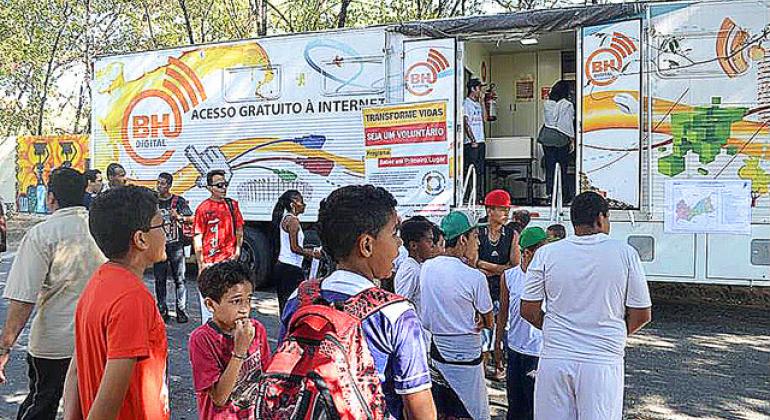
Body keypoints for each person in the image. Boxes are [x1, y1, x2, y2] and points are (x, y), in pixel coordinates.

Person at [279, 185, 436, 420]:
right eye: (394, 234)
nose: (399, 244)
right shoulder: (397, 313)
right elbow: (419, 406)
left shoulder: (300, 296)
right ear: (367, 245)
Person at [521, 192, 652, 420]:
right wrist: (612, 333)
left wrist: (558, 329)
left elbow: (528, 310)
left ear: (573, 221)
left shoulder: (546, 254)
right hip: (602, 361)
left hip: (555, 358)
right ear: (601, 219)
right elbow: (642, 314)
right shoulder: (626, 253)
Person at [0, 168, 105, 420]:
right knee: (91, 406)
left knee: (42, 404)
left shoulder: (42, 234)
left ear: (50, 197)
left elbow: (23, 299)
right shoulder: (103, 229)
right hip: (99, 341)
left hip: (54, 345)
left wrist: (4, 348)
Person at [63, 186, 170, 420]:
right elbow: (108, 404)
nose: (166, 233)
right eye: (161, 226)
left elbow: (75, 370)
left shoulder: (100, 281)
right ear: (140, 239)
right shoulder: (133, 298)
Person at [420, 211, 493, 420]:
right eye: (476, 237)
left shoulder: (427, 267)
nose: (478, 243)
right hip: (467, 354)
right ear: (463, 239)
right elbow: (489, 322)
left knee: (443, 408)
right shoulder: (475, 277)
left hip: (436, 349)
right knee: (474, 411)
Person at [189, 260, 271, 419]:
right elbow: (219, 398)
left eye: (249, 299)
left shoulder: (257, 329)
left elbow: (266, 378)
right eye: (236, 301)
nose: (245, 309)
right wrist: (239, 351)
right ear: (211, 304)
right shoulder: (202, 339)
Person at [496, 227, 548, 420]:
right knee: (516, 407)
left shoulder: (550, 276)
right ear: (527, 252)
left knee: (536, 407)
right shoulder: (509, 276)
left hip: (539, 351)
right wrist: (498, 344)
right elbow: (502, 314)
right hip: (516, 349)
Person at [477, 189, 519, 380]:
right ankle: (484, 367)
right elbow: (472, 261)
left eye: (507, 210)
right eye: (502, 210)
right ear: (489, 210)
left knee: (503, 327)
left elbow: (514, 264)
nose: (506, 214)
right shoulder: (478, 230)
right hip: (481, 288)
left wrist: (488, 267)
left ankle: (501, 364)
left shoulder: (512, 233)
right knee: (483, 329)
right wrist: (500, 267)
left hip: (502, 288)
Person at [194, 169, 245, 324]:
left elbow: (239, 230)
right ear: (210, 187)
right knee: (210, 300)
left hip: (228, 260)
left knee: (230, 297)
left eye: (225, 184)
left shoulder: (232, 205)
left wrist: (237, 250)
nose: (224, 188)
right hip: (210, 262)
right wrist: (200, 263)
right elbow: (198, 236)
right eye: (219, 185)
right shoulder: (203, 208)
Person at [271, 190, 321, 315]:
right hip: (291, 268)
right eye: (301, 201)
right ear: (293, 204)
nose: (304, 205)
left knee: (285, 305)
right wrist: (312, 253)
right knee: (293, 305)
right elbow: (295, 248)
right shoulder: (293, 221)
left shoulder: (285, 218)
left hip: (283, 266)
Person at [154, 172, 192, 323]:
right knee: (159, 279)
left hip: (176, 246)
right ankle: (162, 309)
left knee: (180, 279)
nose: (159, 186)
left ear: (169, 185)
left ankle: (181, 310)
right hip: (159, 248)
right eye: (158, 183)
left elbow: (192, 217)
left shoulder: (178, 201)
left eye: (162, 183)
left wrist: (179, 217)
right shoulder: (153, 202)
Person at [537, 80, 574, 201]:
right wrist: (572, 139)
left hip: (546, 137)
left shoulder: (547, 104)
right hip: (561, 139)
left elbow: (549, 121)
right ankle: (563, 195)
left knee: (550, 166)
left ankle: (550, 193)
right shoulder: (567, 105)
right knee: (562, 167)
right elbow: (567, 124)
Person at [394, 217, 435, 315]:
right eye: (429, 241)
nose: (432, 245)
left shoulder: (418, 266)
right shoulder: (411, 270)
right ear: (413, 245)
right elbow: (402, 305)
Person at [464, 78, 488, 202]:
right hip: (471, 143)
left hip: (481, 140)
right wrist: (472, 139)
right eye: (479, 88)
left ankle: (478, 196)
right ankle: (469, 196)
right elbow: (465, 122)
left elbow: (485, 118)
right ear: (473, 89)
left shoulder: (478, 104)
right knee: (471, 169)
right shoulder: (466, 103)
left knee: (480, 170)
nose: (480, 91)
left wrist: (483, 102)